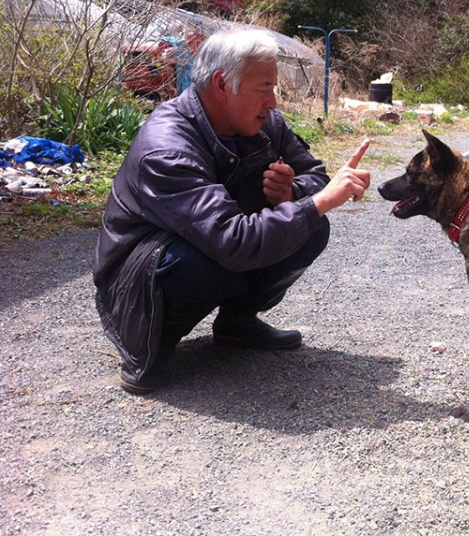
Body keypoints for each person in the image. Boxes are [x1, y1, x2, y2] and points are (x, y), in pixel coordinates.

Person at [93, 27, 371, 395]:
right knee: (199, 260)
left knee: (311, 228)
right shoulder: (167, 147)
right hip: (140, 278)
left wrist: (292, 193)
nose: (273, 103)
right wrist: (317, 202)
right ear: (223, 84)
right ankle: (148, 346)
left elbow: (315, 175)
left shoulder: (266, 124)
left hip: (220, 242)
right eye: (264, 88)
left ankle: (237, 322)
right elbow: (232, 240)